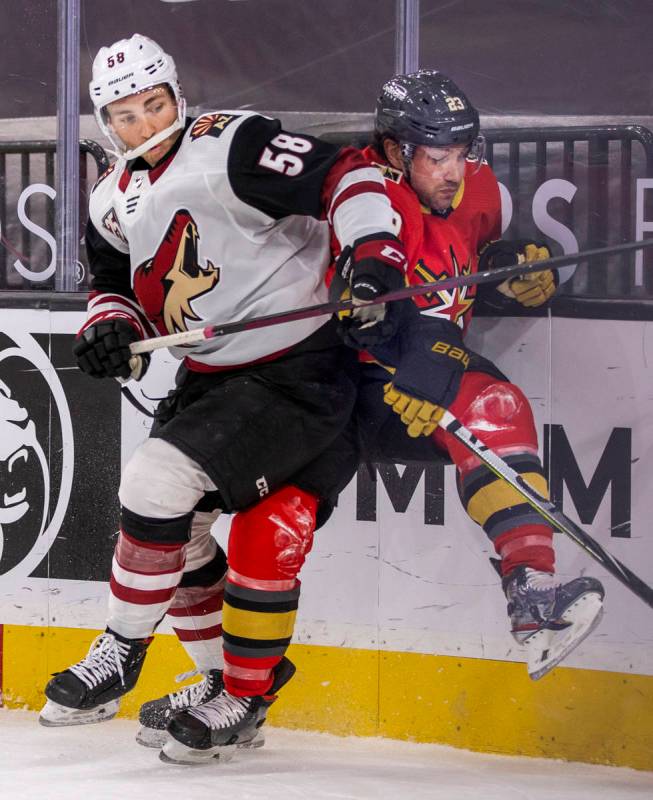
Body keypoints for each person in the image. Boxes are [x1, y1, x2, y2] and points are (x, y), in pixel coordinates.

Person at [39, 33, 407, 762]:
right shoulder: (112, 195)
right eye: (125, 114)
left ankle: (120, 649)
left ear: (178, 95)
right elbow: (112, 282)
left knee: (155, 481)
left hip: (298, 371)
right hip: (212, 377)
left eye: (155, 103)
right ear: (104, 123)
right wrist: (110, 326)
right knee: (184, 531)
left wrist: (373, 254)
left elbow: (349, 176)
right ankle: (232, 687)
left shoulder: (231, 145)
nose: (145, 122)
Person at [331, 69, 605, 682]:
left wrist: (525, 271)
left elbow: (484, 255)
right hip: (359, 386)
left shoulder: (477, 188)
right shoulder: (365, 196)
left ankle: (534, 596)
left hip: (432, 373)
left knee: (499, 404)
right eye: (437, 156)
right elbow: (363, 314)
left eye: (461, 151)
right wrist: (418, 357)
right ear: (397, 151)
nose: (454, 171)